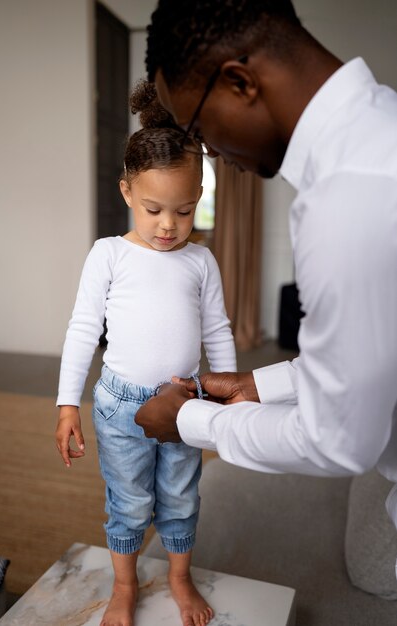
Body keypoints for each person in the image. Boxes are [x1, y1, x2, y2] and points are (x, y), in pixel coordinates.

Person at [135, 0, 397, 530]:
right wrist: (262, 385)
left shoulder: (347, 200)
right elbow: (375, 349)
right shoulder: (383, 123)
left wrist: (188, 419)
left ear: (240, 83)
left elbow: (338, 442)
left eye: (199, 128)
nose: (211, 152)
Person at [55, 80, 236, 626]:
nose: (168, 225)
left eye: (184, 211)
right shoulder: (109, 255)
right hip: (118, 407)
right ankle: (125, 587)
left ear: (198, 198)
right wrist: (67, 404)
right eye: (154, 208)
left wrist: (228, 392)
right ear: (127, 192)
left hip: (185, 401)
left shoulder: (201, 263)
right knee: (129, 502)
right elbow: (83, 328)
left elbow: (218, 330)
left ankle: (180, 578)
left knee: (181, 497)